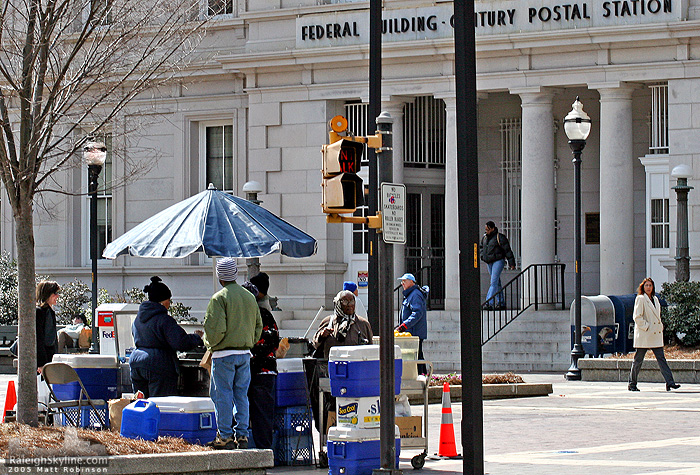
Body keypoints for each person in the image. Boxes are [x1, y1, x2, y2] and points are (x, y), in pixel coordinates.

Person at [204, 258, 262, 450]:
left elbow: (216, 330)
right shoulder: (249, 297)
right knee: (241, 396)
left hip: (223, 355)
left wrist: (207, 342)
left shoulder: (219, 298)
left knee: (222, 395)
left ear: (220, 276)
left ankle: (225, 436)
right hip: (244, 354)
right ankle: (243, 435)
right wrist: (248, 341)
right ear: (236, 274)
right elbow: (258, 327)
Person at [129, 276, 203, 398]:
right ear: (163, 302)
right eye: (169, 300)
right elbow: (180, 342)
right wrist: (196, 337)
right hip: (158, 364)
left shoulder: (138, 319)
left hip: (136, 361)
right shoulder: (164, 320)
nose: (170, 304)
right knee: (160, 405)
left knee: (140, 403)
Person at [309, 290, 373, 433]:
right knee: (332, 409)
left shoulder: (363, 324)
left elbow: (371, 350)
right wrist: (322, 335)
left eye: (352, 302)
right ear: (338, 304)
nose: (349, 305)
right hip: (332, 376)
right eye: (345, 302)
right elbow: (314, 344)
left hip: (356, 377)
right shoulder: (328, 322)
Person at [242, 280, 279, 450]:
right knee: (263, 415)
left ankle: (254, 451)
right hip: (266, 372)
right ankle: (265, 451)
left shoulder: (244, 317)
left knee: (246, 413)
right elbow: (275, 341)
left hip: (251, 370)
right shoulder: (265, 314)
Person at [628, 277, 681, 392]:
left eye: (650, 285)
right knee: (638, 360)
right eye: (646, 285)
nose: (648, 287)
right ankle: (632, 384)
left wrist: (659, 326)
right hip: (645, 334)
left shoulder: (656, 299)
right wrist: (647, 326)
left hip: (655, 334)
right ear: (643, 287)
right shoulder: (640, 299)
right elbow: (637, 317)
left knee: (661, 359)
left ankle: (670, 382)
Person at [480, 221, 516, 310]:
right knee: (496, 282)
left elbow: (507, 250)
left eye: (488, 229)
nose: (486, 231)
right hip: (489, 261)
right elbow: (481, 248)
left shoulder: (500, 237)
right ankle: (501, 302)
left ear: (492, 228)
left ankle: (489, 302)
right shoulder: (485, 238)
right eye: (486, 229)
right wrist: (482, 256)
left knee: (493, 282)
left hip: (498, 260)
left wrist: (511, 263)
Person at [396, 273, 428, 374]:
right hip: (411, 332)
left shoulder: (415, 294)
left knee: (417, 355)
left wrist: (404, 326)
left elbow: (417, 313)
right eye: (402, 281)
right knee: (418, 355)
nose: (402, 283)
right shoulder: (411, 294)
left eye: (404, 281)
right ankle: (422, 375)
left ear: (411, 282)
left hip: (414, 332)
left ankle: (421, 375)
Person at [36, 281, 60, 373]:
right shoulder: (40, 312)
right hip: (43, 360)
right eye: (55, 293)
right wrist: (41, 363)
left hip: (49, 358)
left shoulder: (49, 311)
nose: (57, 296)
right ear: (47, 294)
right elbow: (39, 339)